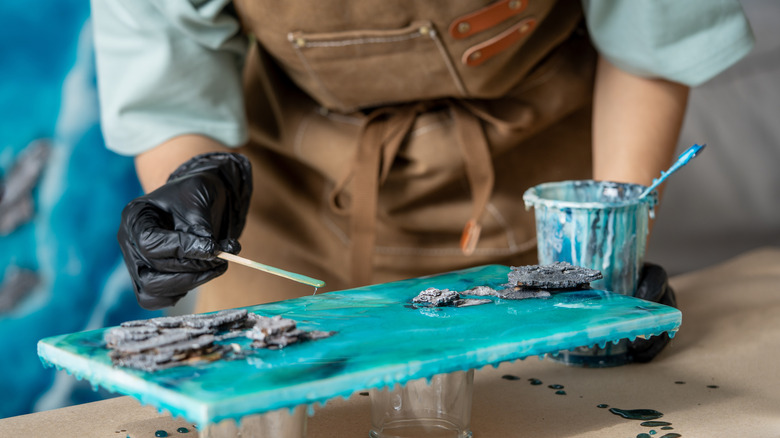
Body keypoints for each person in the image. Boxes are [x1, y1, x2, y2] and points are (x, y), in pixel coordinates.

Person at [91, 0, 753, 316]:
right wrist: (189, 193)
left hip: (537, 193)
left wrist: (612, 249)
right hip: (288, 202)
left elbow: (649, 35)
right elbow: (171, 87)